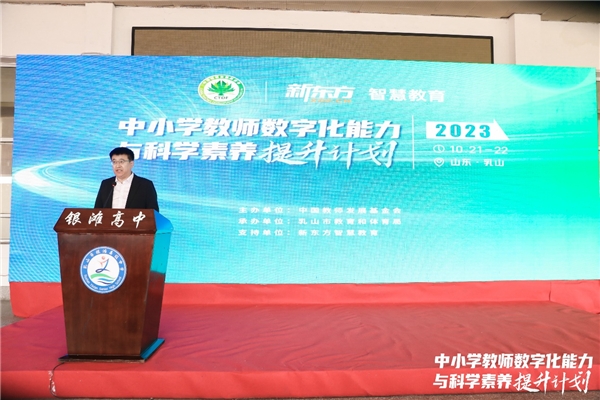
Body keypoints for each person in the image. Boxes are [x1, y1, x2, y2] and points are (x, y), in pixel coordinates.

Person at [94, 147, 159, 212]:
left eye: (121, 162)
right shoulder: (106, 184)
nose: (117, 166)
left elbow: (153, 213)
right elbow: (96, 211)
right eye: (114, 162)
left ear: (131, 164)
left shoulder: (145, 185)